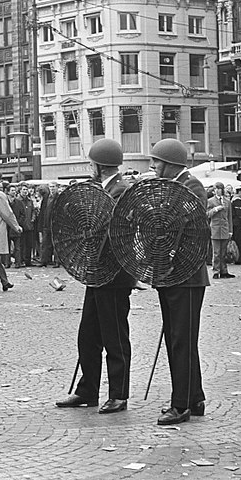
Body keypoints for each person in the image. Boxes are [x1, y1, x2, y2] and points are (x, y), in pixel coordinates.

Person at [56, 139, 136, 414]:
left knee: (115, 336)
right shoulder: (102, 188)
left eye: (91, 163)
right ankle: (87, 390)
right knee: (88, 335)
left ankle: (119, 394)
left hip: (114, 274)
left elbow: (111, 228)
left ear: (99, 165)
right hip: (96, 272)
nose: (90, 167)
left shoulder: (121, 190)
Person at [149, 139, 208, 425]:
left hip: (186, 276)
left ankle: (181, 404)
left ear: (171, 164)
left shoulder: (191, 186)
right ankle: (194, 397)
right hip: (171, 275)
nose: (153, 167)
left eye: (157, 162)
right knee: (179, 339)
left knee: (182, 341)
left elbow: (183, 225)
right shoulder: (169, 187)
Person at [207, 182, 234, 279]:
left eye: (220, 189)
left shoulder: (227, 201)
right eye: (216, 189)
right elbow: (207, 214)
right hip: (215, 228)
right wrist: (215, 209)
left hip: (225, 229)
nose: (218, 191)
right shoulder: (210, 201)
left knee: (224, 252)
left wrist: (230, 230)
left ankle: (224, 271)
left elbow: (229, 216)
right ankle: (216, 271)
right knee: (216, 252)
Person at [39, 182, 59, 267]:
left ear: (57, 187)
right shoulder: (46, 197)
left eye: (54, 187)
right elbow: (42, 210)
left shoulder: (59, 197)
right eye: (51, 187)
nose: (52, 188)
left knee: (55, 243)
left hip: (55, 223)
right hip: (46, 223)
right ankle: (44, 261)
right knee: (44, 243)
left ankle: (57, 261)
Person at [7, 185, 25, 268]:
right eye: (12, 190)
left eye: (14, 190)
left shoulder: (19, 202)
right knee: (7, 247)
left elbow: (23, 214)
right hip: (6, 227)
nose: (14, 192)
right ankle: (7, 262)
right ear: (8, 192)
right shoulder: (5, 202)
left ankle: (18, 262)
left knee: (17, 247)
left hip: (16, 227)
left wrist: (17, 224)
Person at [18, 185, 35, 267]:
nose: (25, 191)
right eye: (23, 189)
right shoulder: (17, 201)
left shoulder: (30, 201)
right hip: (21, 226)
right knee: (21, 244)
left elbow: (33, 211)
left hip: (30, 226)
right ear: (20, 191)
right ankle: (21, 260)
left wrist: (33, 219)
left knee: (29, 244)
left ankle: (28, 261)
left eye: (26, 189)